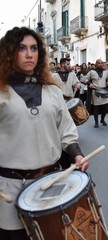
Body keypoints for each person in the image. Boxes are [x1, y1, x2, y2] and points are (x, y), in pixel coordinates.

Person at [0, 27, 89, 240]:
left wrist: (76, 153)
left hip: (50, 184)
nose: (29, 54)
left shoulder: (53, 90)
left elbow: (66, 130)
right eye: (21, 48)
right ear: (10, 53)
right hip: (10, 188)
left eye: (33, 48)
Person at [82, 59, 108, 128]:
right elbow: (84, 79)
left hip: (104, 91)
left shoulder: (106, 72)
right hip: (95, 91)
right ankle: (96, 122)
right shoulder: (91, 72)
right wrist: (89, 83)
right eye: (99, 63)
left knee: (105, 107)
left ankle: (102, 119)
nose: (100, 64)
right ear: (96, 64)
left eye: (101, 63)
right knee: (96, 107)